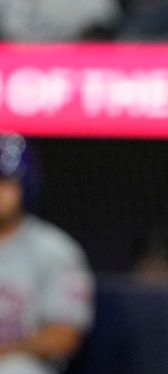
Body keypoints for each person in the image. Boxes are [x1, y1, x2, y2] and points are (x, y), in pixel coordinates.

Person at [0, 134, 95, 374]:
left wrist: (7, 350)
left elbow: (64, 336)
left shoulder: (55, 251)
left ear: (24, 186)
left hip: (22, 363)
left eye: (5, 182)